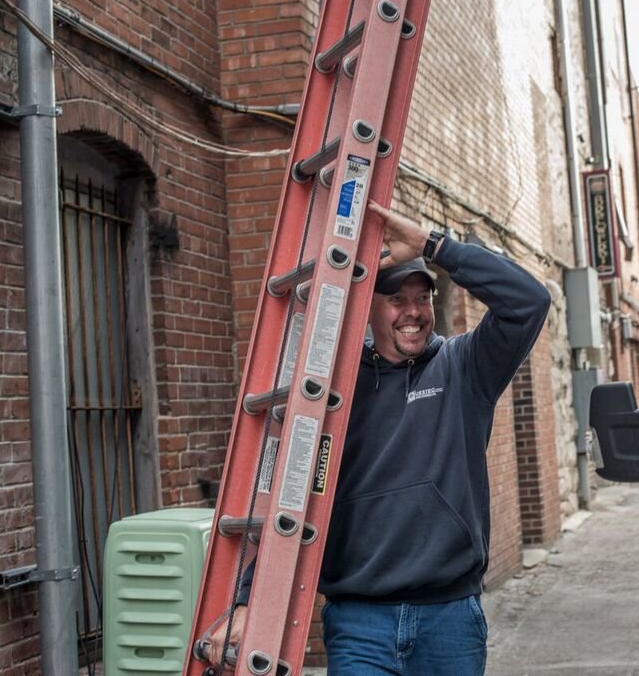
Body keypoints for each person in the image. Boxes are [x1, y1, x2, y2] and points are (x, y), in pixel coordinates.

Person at [209, 201, 551, 675]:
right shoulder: (333, 394)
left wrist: (435, 246)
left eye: (422, 298)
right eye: (396, 299)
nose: (413, 313)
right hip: (359, 622)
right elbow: (292, 495)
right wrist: (248, 599)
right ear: (366, 307)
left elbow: (529, 301)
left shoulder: (464, 368)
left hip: (448, 618)